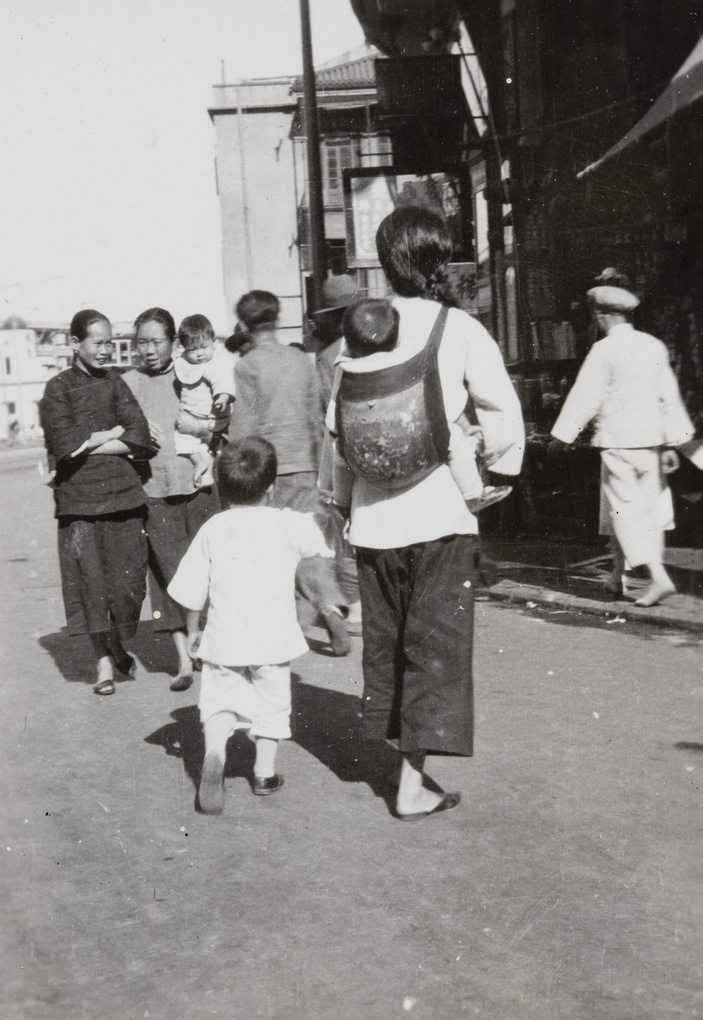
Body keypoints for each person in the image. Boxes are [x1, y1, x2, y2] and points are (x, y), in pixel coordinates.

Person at [326, 206, 525, 820]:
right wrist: (497, 469)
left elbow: (336, 427)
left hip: (372, 519)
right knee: (434, 645)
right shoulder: (458, 328)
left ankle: (397, 761)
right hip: (440, 513)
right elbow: (503, 417)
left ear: (385, 261)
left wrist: (342, 501)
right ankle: (412, 787)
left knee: (387, 643)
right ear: (439, 258)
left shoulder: (359, 329)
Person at [167, 437, 334, 814]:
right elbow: (324, 540)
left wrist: (194, 630)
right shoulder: (285, 523)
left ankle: (214, 753)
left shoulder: (213, 528)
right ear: (270, 488)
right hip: (273, 638)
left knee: (218, 702)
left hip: (224, 636)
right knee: (272, 705)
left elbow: (192, 589)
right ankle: (264, 773)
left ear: (222, 489)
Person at [550, 283, 695, 606]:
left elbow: (585, 396)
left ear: (602, 315)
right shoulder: (653, 346)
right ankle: (617, 574)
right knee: (636, 509)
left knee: (625, 512)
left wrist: (561, 437)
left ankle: (658, 578)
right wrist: (672, 444)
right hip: (651, 444)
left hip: (619, 443)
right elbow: (668, 397)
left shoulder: (604, 350)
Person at [39, 309, 157, 695]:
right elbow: (65, 443)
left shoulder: (115, 383)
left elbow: (140, 435)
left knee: (128, 587)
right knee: (90, 585)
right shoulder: (57, 388)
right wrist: (110, 434)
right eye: (97, 343)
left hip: (124, 496)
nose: (106, 350)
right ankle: (103, 663)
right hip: (78, 501)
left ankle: (116, 641)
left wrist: (92, 441)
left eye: (109, 342)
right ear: (76, 343)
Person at [229, 289, 350, 655]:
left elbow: (244, 425)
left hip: (269, 469)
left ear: (244, 325)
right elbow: (317, 414)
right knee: (307, 540)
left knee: (273, 546)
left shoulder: (247, 366)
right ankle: (329, 606)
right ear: (277, 320)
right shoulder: (300, 360)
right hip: (308, 463)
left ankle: (297, 618)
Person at [339, 297, 513, 513]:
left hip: (370, 468)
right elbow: (446, 406)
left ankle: (340, 501)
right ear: (397, 338)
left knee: (339, 450)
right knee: (454, 439)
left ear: (348, 342)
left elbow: (333, 424)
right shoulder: (411, 368)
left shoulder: (347, 376)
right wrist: (467, 427)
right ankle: (474, 495)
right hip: (416, 459)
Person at [123, 308, 221, 691]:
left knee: (210, 571)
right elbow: (117, 432)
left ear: (173, 342)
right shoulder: (127, 383)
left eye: (157, 341)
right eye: (142, 342)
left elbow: (221, 424)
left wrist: (202, 431)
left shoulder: (193, 372)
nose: (149, 350)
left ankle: (208, 648)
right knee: (168, 576)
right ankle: (183, 660)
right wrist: (134, 437)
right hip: (153, 492)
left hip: (199, 486)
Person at [172, 314, 236, 489]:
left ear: (213, 341)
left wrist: (223, 397)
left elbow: (222, 381)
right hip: (192, 414)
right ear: (184, 348)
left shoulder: (217, 362)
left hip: (214, 416)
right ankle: (201, 465)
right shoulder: (183, 362)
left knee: (207, 444)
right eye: (192, 350)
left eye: (204, 347)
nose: (199, 354)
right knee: (184, 439)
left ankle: (210, 468)